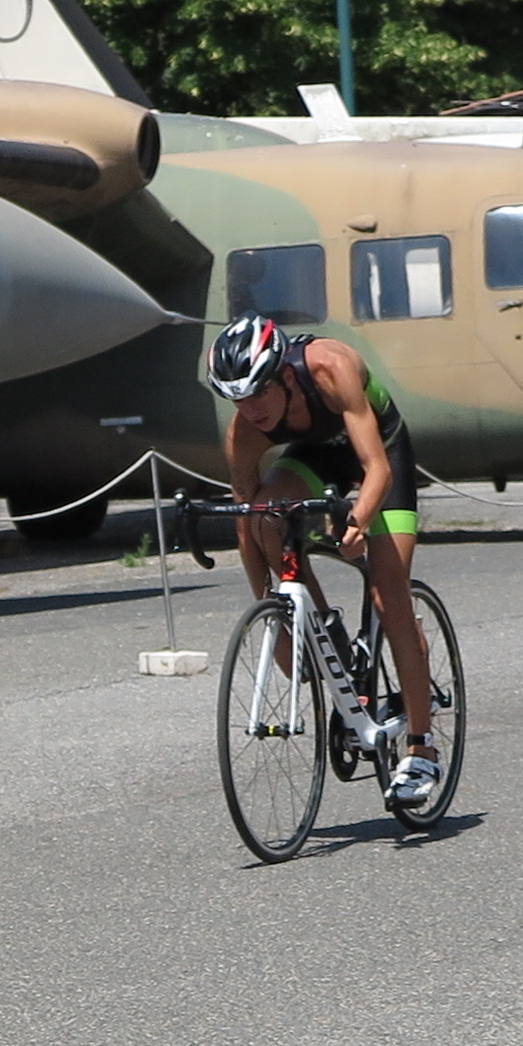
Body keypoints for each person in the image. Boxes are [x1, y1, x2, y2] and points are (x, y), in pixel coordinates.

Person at [207, 312, 444, 815]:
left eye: (258, 395)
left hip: (380, 452)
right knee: (268, 517)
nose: (250, 410)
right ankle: (322, 627)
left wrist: (358, 521)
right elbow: (247, 525)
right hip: (317, 457)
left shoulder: (330, 367)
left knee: (388, 592)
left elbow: (375, 468)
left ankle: (421, 749)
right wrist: (273, 615)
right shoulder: (244, 433)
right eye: (238, 400)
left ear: (285, 376)